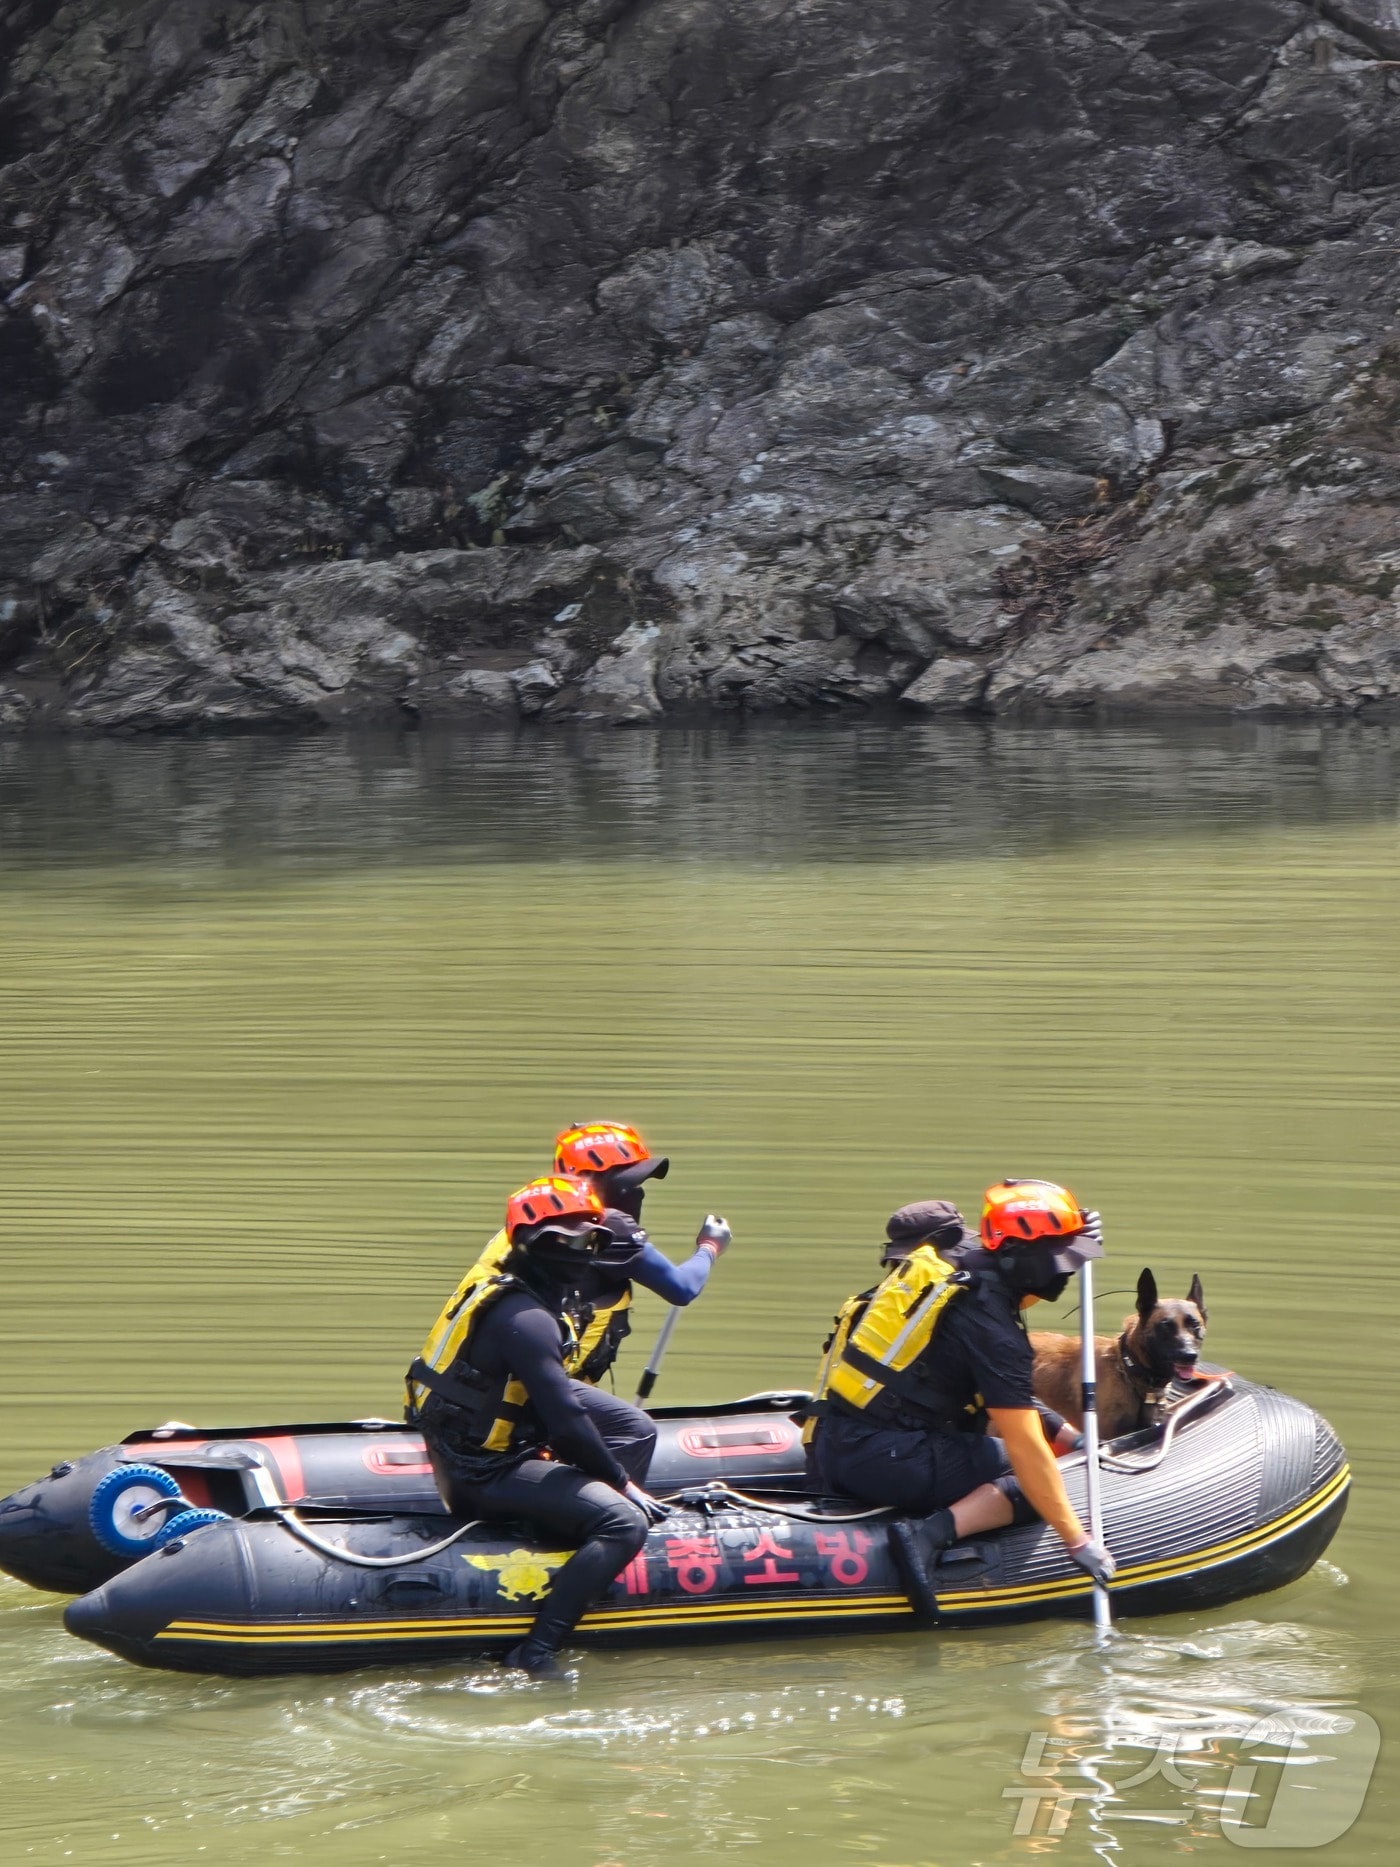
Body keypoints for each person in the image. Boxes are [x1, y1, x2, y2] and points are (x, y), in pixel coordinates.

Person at [404, 1174, 672, 1678]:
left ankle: (572, 1528)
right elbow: (565, 1422)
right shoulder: (525, 1319)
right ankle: (536, 1651)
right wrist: (621, 1485)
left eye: (589, 1241)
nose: (580, 1254)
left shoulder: (527, 1299)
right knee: (625, 1522)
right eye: (566, 1242)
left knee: (635, 1427)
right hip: (479, 1471)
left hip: (480, 1446)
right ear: (530, 1245)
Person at [803, 1180, 1115, 1584]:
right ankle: (927, 1535)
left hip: (835, 1444)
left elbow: (1008, 1382)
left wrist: (1075, 1439)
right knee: (1038, 1479)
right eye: (1059, 1257)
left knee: (1033, 1455)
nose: (1066, 1270)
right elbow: (1023, 1443)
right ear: (1021, 1258)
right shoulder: (993, 1330)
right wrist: (1077, 1541)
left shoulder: (963, 1273)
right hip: (888, 1461)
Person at [460, 1120, 731, 1387]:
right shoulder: (608, 1225)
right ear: (587, 1178)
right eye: (627, 1182)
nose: (635, 1192)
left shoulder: (528, 1220)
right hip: (541, 1391)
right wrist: (709, 1246)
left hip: (497, 1381)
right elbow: (682, 1288)